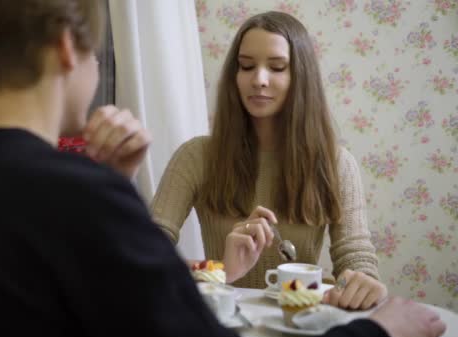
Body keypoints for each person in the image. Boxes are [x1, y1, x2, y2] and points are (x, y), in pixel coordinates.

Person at [0, 2, 445, 337]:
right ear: (70, 51)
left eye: (276, 68)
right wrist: (380, 331)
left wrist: (108, 191)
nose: (260, 82)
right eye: (97, 54)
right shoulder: (90, 193)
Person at [151, 11, 386, 310]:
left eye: (277, 68)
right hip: (221, 325)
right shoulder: (196, 157)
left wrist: (361, 282)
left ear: (301, 77)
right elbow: (147, 253)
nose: (259, 80)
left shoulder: (336, 164)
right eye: (246, 66)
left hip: (298, 323)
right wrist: (221, 272)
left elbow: (355, 257)